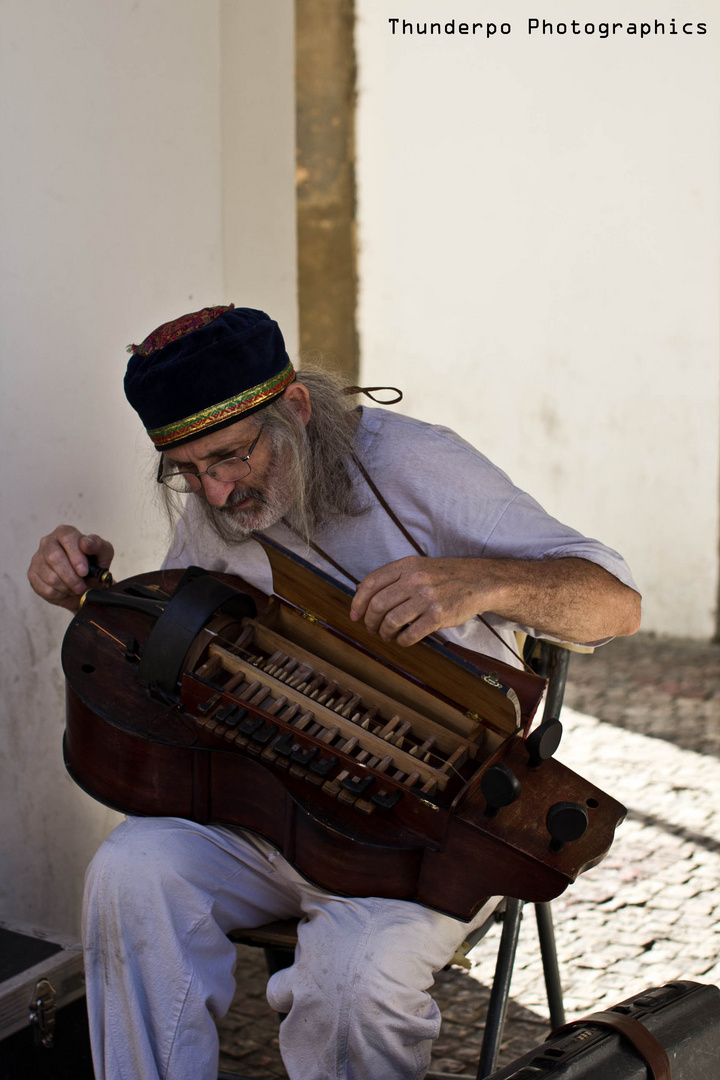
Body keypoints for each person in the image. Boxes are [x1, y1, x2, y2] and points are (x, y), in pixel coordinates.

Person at [28, 304, 641, 1080]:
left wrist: (480, 582)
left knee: (351, 983)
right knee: (130, 871)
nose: (214, 495)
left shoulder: (418, 465)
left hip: (425, 822)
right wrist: (98, 590)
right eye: (186, 471)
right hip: (265, 803)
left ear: (295, 408)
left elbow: (617, 603)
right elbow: (189, 634)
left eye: (229, 458)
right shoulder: (221, 501)